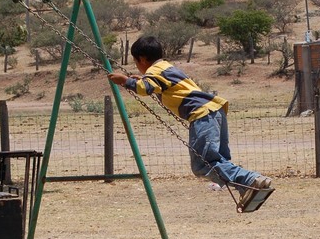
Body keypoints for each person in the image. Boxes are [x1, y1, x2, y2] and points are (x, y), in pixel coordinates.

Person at [108, 35, 272, 206]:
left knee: (202, 164)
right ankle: (247, 188)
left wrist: (126, 81)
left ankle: (251, 179)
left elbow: (145, 89)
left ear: (141, 59)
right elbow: (157, 85)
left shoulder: (154, 72)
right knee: (218, 161)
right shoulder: (167, 67)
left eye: (136, 62)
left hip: (202, 115)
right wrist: (142, 79)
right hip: (215, 112)